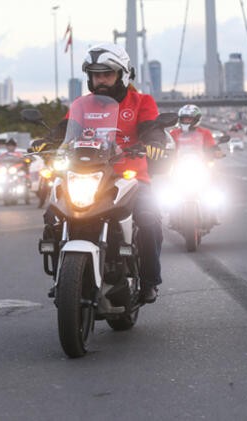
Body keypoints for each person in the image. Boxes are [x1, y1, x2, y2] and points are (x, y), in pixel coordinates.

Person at [47, 43, 166, 304]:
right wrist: (45, 142)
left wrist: (154, 141)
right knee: (52, 214)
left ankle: (149, 280)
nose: (100, 80)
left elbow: (151, 128)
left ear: (122, 74)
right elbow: (64, 130)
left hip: (129, 178)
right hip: (84, 175)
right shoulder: (80, 104)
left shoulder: (141, 102)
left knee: (148, 216)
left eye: (107, 74)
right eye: (95, 74)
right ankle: (61, 277)